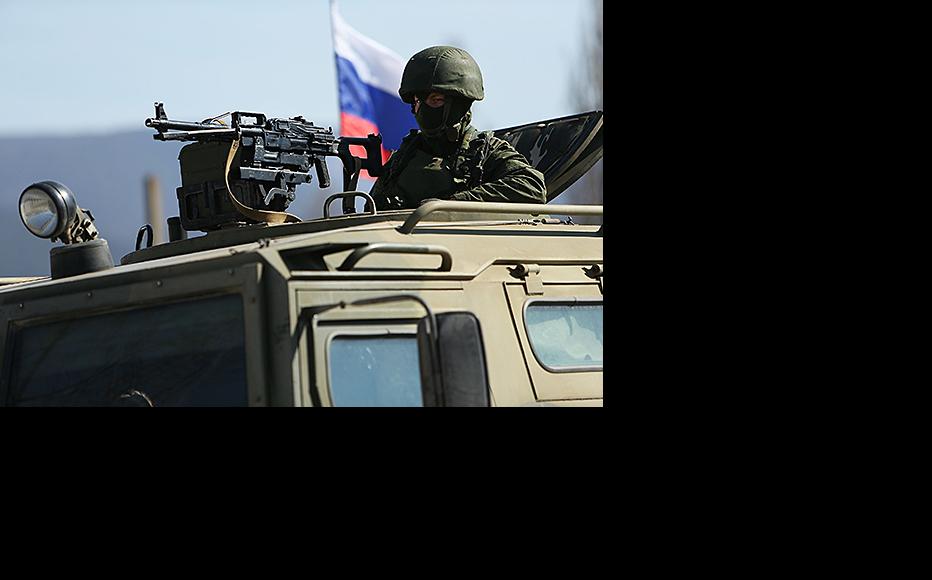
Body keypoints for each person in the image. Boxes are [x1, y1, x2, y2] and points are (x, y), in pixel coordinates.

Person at [370, 46, 547, 210]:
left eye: (435, 99)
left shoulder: (484, 152)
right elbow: (373, 208)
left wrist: (453, 205)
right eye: (417, 101)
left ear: (459, 105)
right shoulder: (406, 155)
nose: (421, 110)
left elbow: (532, 186)